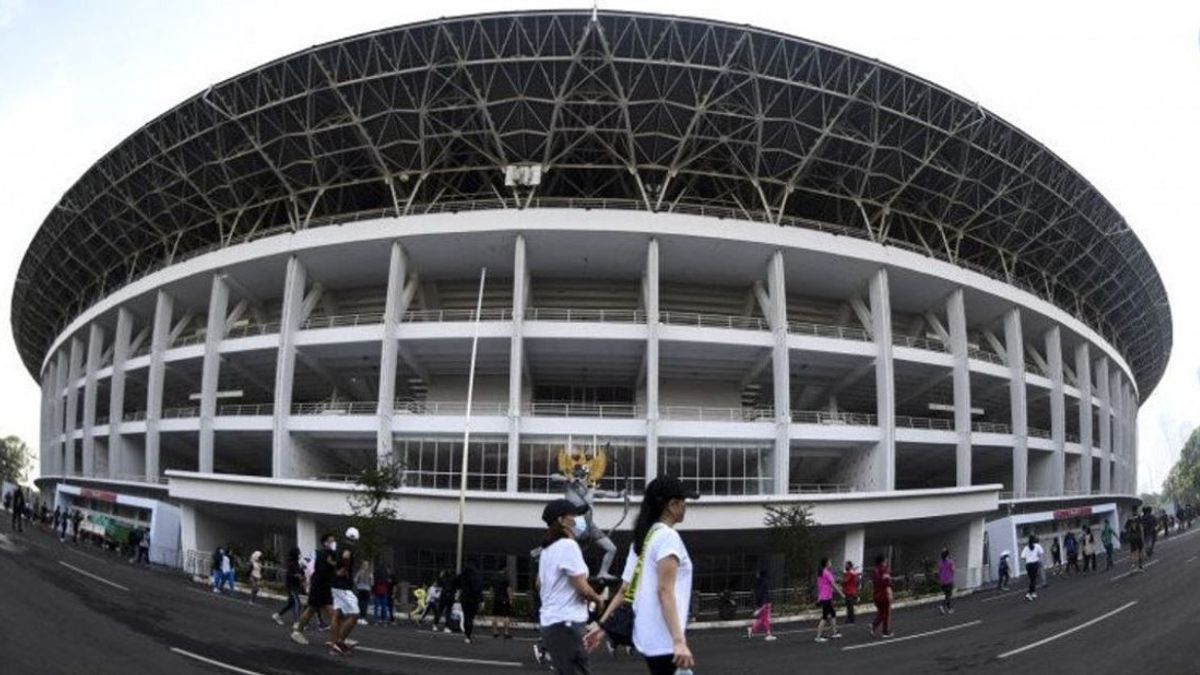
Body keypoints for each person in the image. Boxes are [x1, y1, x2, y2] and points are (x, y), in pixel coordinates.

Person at [587, 475, 698, 675]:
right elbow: (665, 591)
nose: (686, 507)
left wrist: (602, 625)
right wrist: (679, 641)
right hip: (666, 642)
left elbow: (624, 589)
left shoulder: (642, 540)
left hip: (649, 640)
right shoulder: (667, 537)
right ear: (672, 505)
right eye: (684, 501)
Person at [536, 497, 605, 675]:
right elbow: (581, 587)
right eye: (573, 516)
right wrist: (598, 599)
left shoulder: (547, 550)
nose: (577, 520)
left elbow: (539, 584)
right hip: (566, 623)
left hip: (552, 624)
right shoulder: (568, 546)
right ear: (561, 520)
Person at [292, 533, 339, 645]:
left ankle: (337, 638)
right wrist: (332, 564)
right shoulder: (321, 554)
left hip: (324, 587)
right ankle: (337, 639)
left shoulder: (330, 554)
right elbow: (323, 570)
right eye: (331, 541)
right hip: (319, 587)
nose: (333, 543)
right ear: (325, 543)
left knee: (318, 611)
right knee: (315, 610)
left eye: (334, 541)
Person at [328, 527, 362, 654]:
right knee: (355, 614)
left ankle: (333, 644)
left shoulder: (338, 545)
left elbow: (332, 560)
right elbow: (346, 557)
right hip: (343, 586)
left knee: (338, 614)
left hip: (335, 584)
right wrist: (345, 569)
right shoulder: (349, 547)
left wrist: (337, 569)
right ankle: (339, 642)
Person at [814, 557, 845, 642]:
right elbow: (834, 585)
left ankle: (834, 632)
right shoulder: (827, 573)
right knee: (824, 617)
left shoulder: (820, 573)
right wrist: (842, 594)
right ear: (826, 563)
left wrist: (819, 597)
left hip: (824, 597)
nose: (831, 563)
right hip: (826, 598)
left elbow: (820, 586)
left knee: (833, 614)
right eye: (830, 562)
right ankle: (818, 636)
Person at [272, 547, 304, 626]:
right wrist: (297, 576)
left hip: (296, 586)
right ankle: (296, 622)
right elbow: (289, 575)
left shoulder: (297, 563)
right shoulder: (290, 563)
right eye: (298, 553)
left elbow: (300, 573)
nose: (300, 554)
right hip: (291, 586)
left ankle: (277, 615)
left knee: (291, 603)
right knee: (297, 603)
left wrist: (302, 570)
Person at [458, 564, 484, 644]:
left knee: (466, 616)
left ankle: (467, 636)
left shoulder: (463, 578)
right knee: (471, 618)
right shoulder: (477, 579)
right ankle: (469, 634)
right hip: (474, 600)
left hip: (465, 599)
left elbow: (457, 584)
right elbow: (479, 591)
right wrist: (481, 601)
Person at [869, 554, 893, 638]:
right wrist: (890, 593)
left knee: (881, 612)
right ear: (882, 562)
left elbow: (875, 582)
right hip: (883, 594)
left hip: (876, 594)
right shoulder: (884, 570)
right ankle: (884, 631)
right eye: (885, 561)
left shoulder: (875, 570)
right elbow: (887, 584)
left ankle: (875, 626)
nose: (886, 562)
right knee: (885, 613)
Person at [747, 568, 775, 640]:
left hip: (761, 602)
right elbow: (764, 593)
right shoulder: (764, 581)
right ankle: (767, 634)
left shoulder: (757, 582)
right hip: (765, 602)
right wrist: (765, 603)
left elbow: (758, 593)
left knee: (763, 619)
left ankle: (753, 630)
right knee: (765, 619)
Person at [491, 568, 514, 639]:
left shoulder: (494, 578)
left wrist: (493, 596)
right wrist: (510, 599)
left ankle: (495, 632)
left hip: (496, 598)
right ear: (504, 570)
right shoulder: (506, 578)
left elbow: (491, 589)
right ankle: (506, 632)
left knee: (495, 616)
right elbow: (508, 589)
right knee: (506, 616)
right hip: (504, 598)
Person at [1020, 535, 1044, 601]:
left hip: (1028, 565)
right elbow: (1041, 553)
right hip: (1034, 564)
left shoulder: (1026, 547)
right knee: (1033, 580)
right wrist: (1038, 559)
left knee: (1032, 579)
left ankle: (1033, 593)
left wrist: (1028, 559)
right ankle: (1028, 593)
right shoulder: (1037, 546)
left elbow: (1022, 557)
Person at [354, 560, 372, 626]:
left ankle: (359, 618)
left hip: (360, 589)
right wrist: (370, 586)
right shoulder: (369, 573)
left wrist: (357, 585)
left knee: (359, 603)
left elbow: (355, 580)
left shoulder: (359, 572)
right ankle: (363, 618)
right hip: (367, 589)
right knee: (365, 604)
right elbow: (372, 582)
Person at [937, 549, 955, 614]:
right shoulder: (950, 562)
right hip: (949, 581)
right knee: (948, 595)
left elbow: (939, 572)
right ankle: (942, 606)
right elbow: (953, 570)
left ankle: (949, 609)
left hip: (942, 582)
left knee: (947, 595)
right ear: (947, 555)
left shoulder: (940, 562)